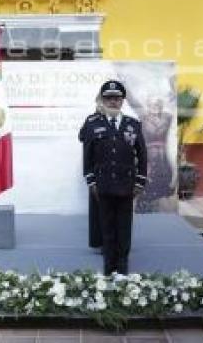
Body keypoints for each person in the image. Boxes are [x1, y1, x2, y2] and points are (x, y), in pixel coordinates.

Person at [83, 80, 147, 275]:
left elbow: (142, 154)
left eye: (116, 98)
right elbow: (87, 154)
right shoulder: (93, 123)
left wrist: (140, 181)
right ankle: (109, 267)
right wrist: (91, 180)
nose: (112, 102)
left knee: (124, 227)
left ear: (122, 101)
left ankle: (123, 265)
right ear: (102, 100)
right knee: (107, 227)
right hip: (102, 186)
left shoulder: (133, 125)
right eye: (108, 98)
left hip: (126, 185)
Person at [78, 93, 104, 251]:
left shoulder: (120, 119)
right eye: (100, 101)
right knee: (97, 208)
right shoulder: (91, 119)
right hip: (96, 169)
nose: (103, 103)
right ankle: (99, 242)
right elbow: (81, 136)